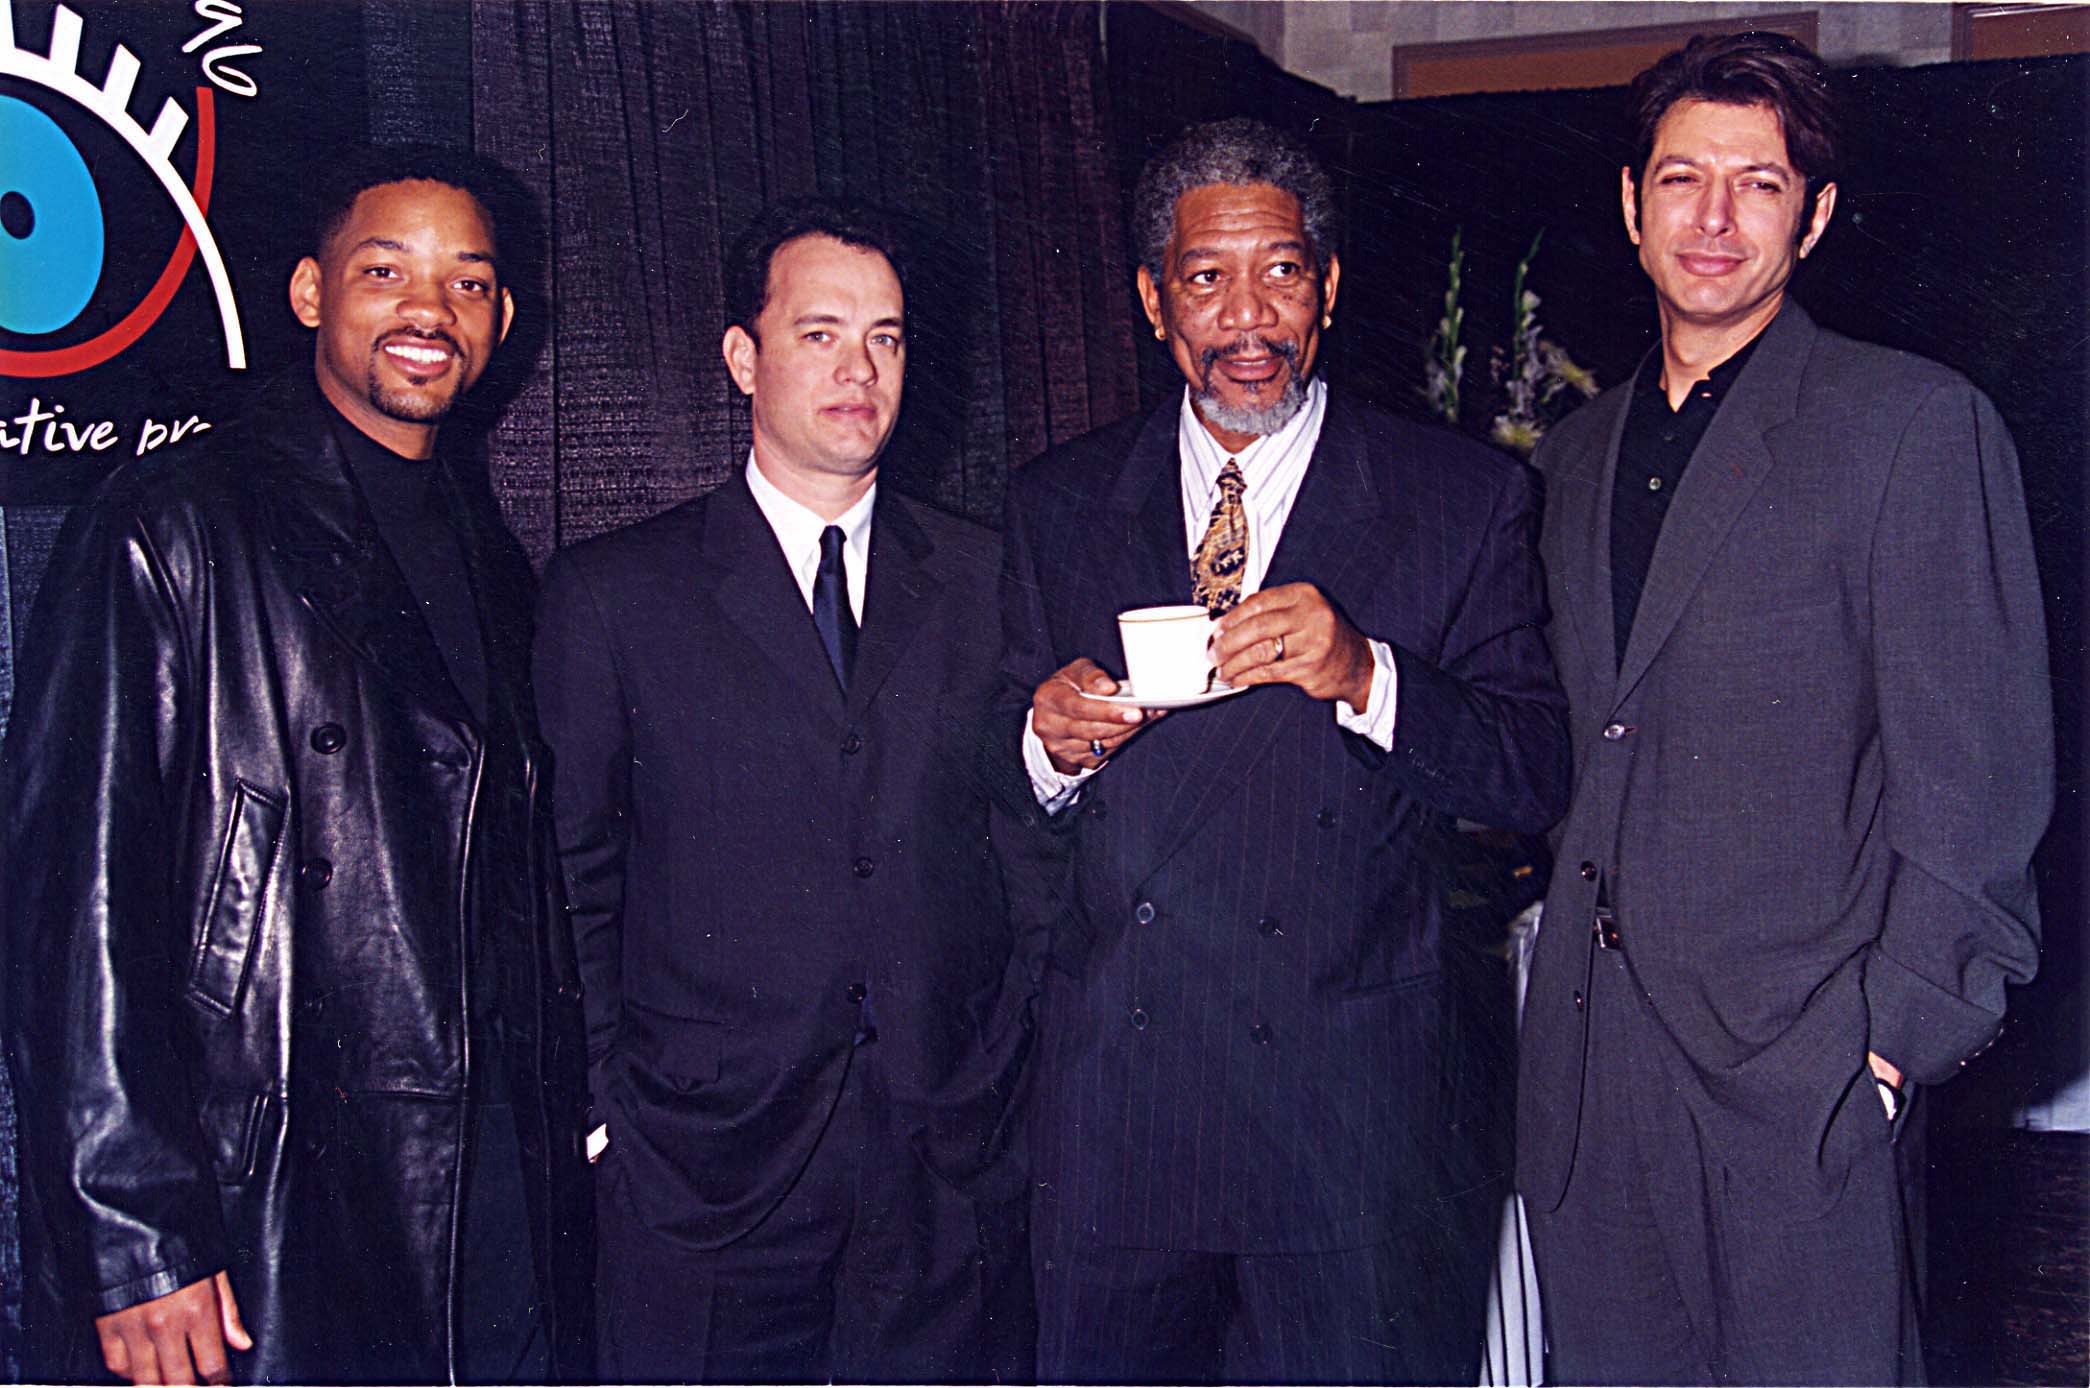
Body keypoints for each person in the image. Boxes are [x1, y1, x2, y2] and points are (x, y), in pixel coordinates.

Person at [2, 145, 592, 1384]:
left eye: (468, 282)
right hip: (258, 1185)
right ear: (311, 293)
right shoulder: (171, 522)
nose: (429, 311)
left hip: (478, 1181)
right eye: (388, 270)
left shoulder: (494, 558)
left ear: (502, 320)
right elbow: (74, 906)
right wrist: (133, 1237)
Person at [1516, 32, 2051, 1385]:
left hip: (1800, 1082)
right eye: (1680, 179)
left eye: (1756, 185)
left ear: (1810, 218)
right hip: (1590, 1090)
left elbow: (1972, 788)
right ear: (1628, 204)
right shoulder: (1569, 461)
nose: (1710, 219)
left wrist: (1881, 1054)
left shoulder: (1910, 429)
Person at [1001, 116, 1570, 1385]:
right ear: (1154, 300)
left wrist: (1367, 673)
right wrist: (1042, 744)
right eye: (1207, 277)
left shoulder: (1456, 499)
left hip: (1343, 1118)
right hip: (1117, 1114)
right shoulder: (1054, 501)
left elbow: (1533, 771)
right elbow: (991, 783)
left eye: (1281, 271)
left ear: (1327, 287)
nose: (1246, 315)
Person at [532, 201, 1037, 1385]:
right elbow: (569, 874)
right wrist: (611, 1115)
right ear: (741, 358)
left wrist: (997, 1080)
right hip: (700, 1171)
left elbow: (1026, 850)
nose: (858, 370)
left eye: (887, 338)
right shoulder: (614, 594)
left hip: (940, 1162)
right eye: (819, 334)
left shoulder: (988, 577)